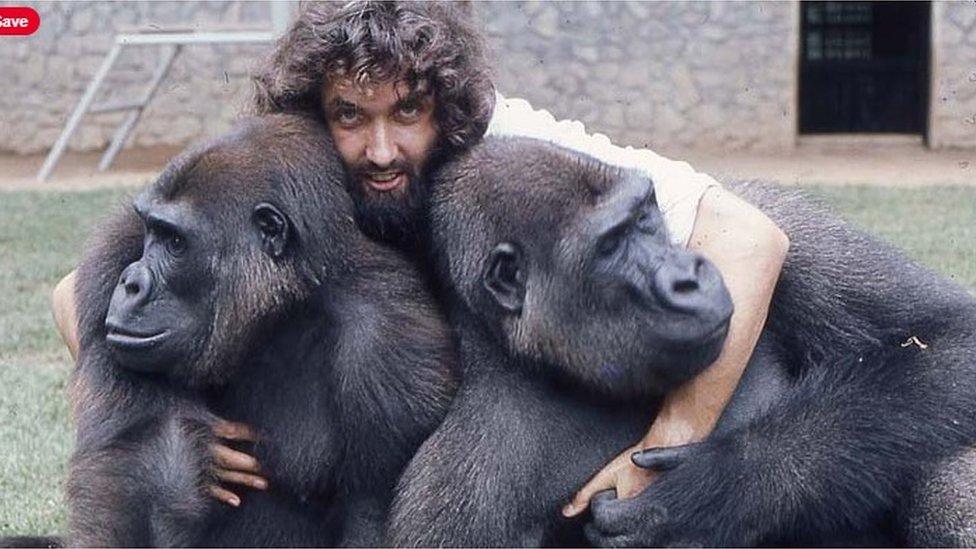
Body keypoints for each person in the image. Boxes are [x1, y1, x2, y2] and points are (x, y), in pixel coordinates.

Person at [52, 1, 788, 517]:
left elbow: (751, 238)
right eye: (351, 116)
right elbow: (74, 295)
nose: (379, 150)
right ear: (315, 114)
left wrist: (666, 452)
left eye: (407, 112)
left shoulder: (513, 144)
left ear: (447, 105)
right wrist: (163, 417)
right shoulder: (284, 170)